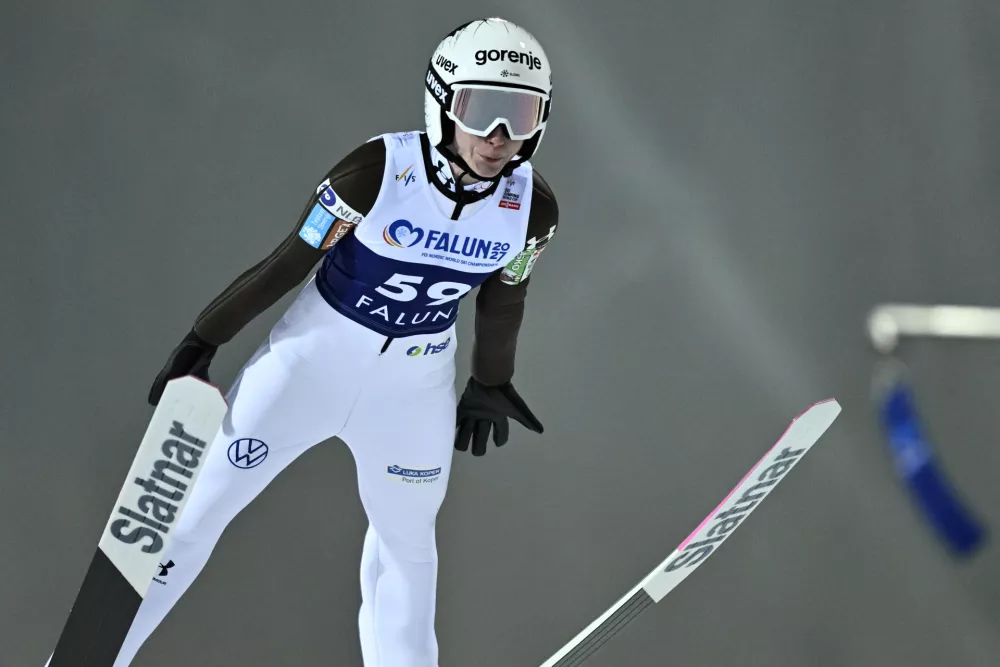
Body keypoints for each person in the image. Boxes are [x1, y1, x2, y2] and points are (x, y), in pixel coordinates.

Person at [113, 16, 558, 667]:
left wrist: (491, 377)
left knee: (408, 546)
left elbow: (505, 294)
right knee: (193, 513)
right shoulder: (375, 172)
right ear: (442, 103)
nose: (499, 137)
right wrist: (203, 339)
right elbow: (284, 263)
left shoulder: (532, 209)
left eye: (521, 115)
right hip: (311, 365)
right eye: (482, 110)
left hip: (413, 388)